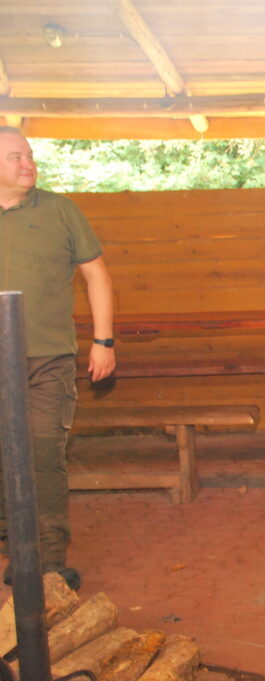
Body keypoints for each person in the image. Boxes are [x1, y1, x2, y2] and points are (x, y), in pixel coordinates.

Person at [0, 126, 116, 589]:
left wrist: (103, 341)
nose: (28, 164)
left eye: (29, 155)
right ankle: (17, 550)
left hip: (48, 358)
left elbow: (96, 276)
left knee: (44, 454)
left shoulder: (60, 210)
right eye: (15, 157)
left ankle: (48, 562)